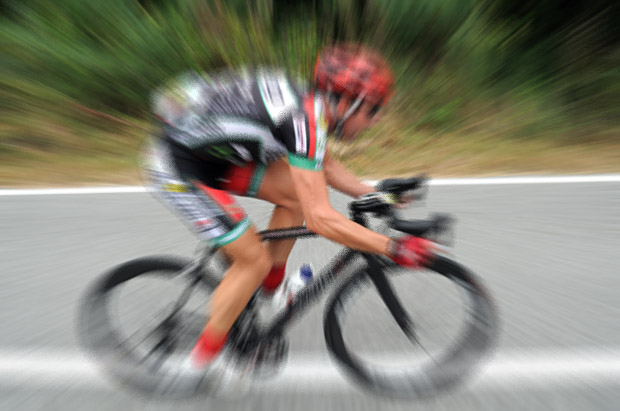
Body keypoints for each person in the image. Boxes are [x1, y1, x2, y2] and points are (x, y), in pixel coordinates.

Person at [143, 44, 434, 373]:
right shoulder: (302, 119)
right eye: (373, 109)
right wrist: (393, 248)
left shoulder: (311, 107)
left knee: (296, 194)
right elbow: (321, 219)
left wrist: (378, 193)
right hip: (177, 166)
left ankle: (271, 287)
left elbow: (320, 163)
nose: (376, 119)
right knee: (252, 260)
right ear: (348, 102)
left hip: (212, 154)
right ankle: (199, 366)